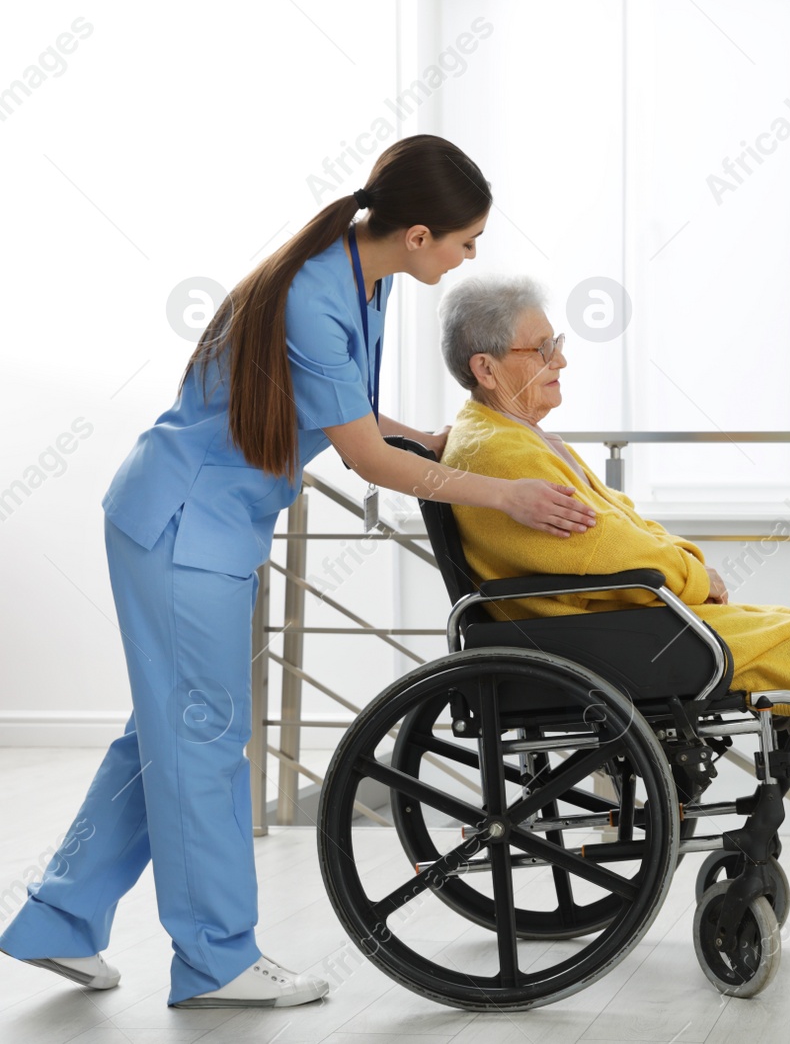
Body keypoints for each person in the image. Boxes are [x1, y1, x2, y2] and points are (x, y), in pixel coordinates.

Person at [0, 136, 598, 1009]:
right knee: (202, 739)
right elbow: (361, 457)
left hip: (203, 524)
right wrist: (505, 494)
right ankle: (215, 959)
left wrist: (424, 436)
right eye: (468, 241)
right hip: (181, 523)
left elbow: (349, 410)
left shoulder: (367, 274)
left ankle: (62, 914)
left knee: (161, 735)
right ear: (421, 233)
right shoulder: (319, 292)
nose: (473, 256)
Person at [436, 273, 790, 917]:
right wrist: (693, 574)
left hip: (617, 624)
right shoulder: (500, 451)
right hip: (602, 635)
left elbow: (614, 529)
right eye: (542, 349)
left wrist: (683, 569)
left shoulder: (505, 436)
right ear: (486, 366)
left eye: (555, 342)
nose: (560, 359)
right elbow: (599, 550)